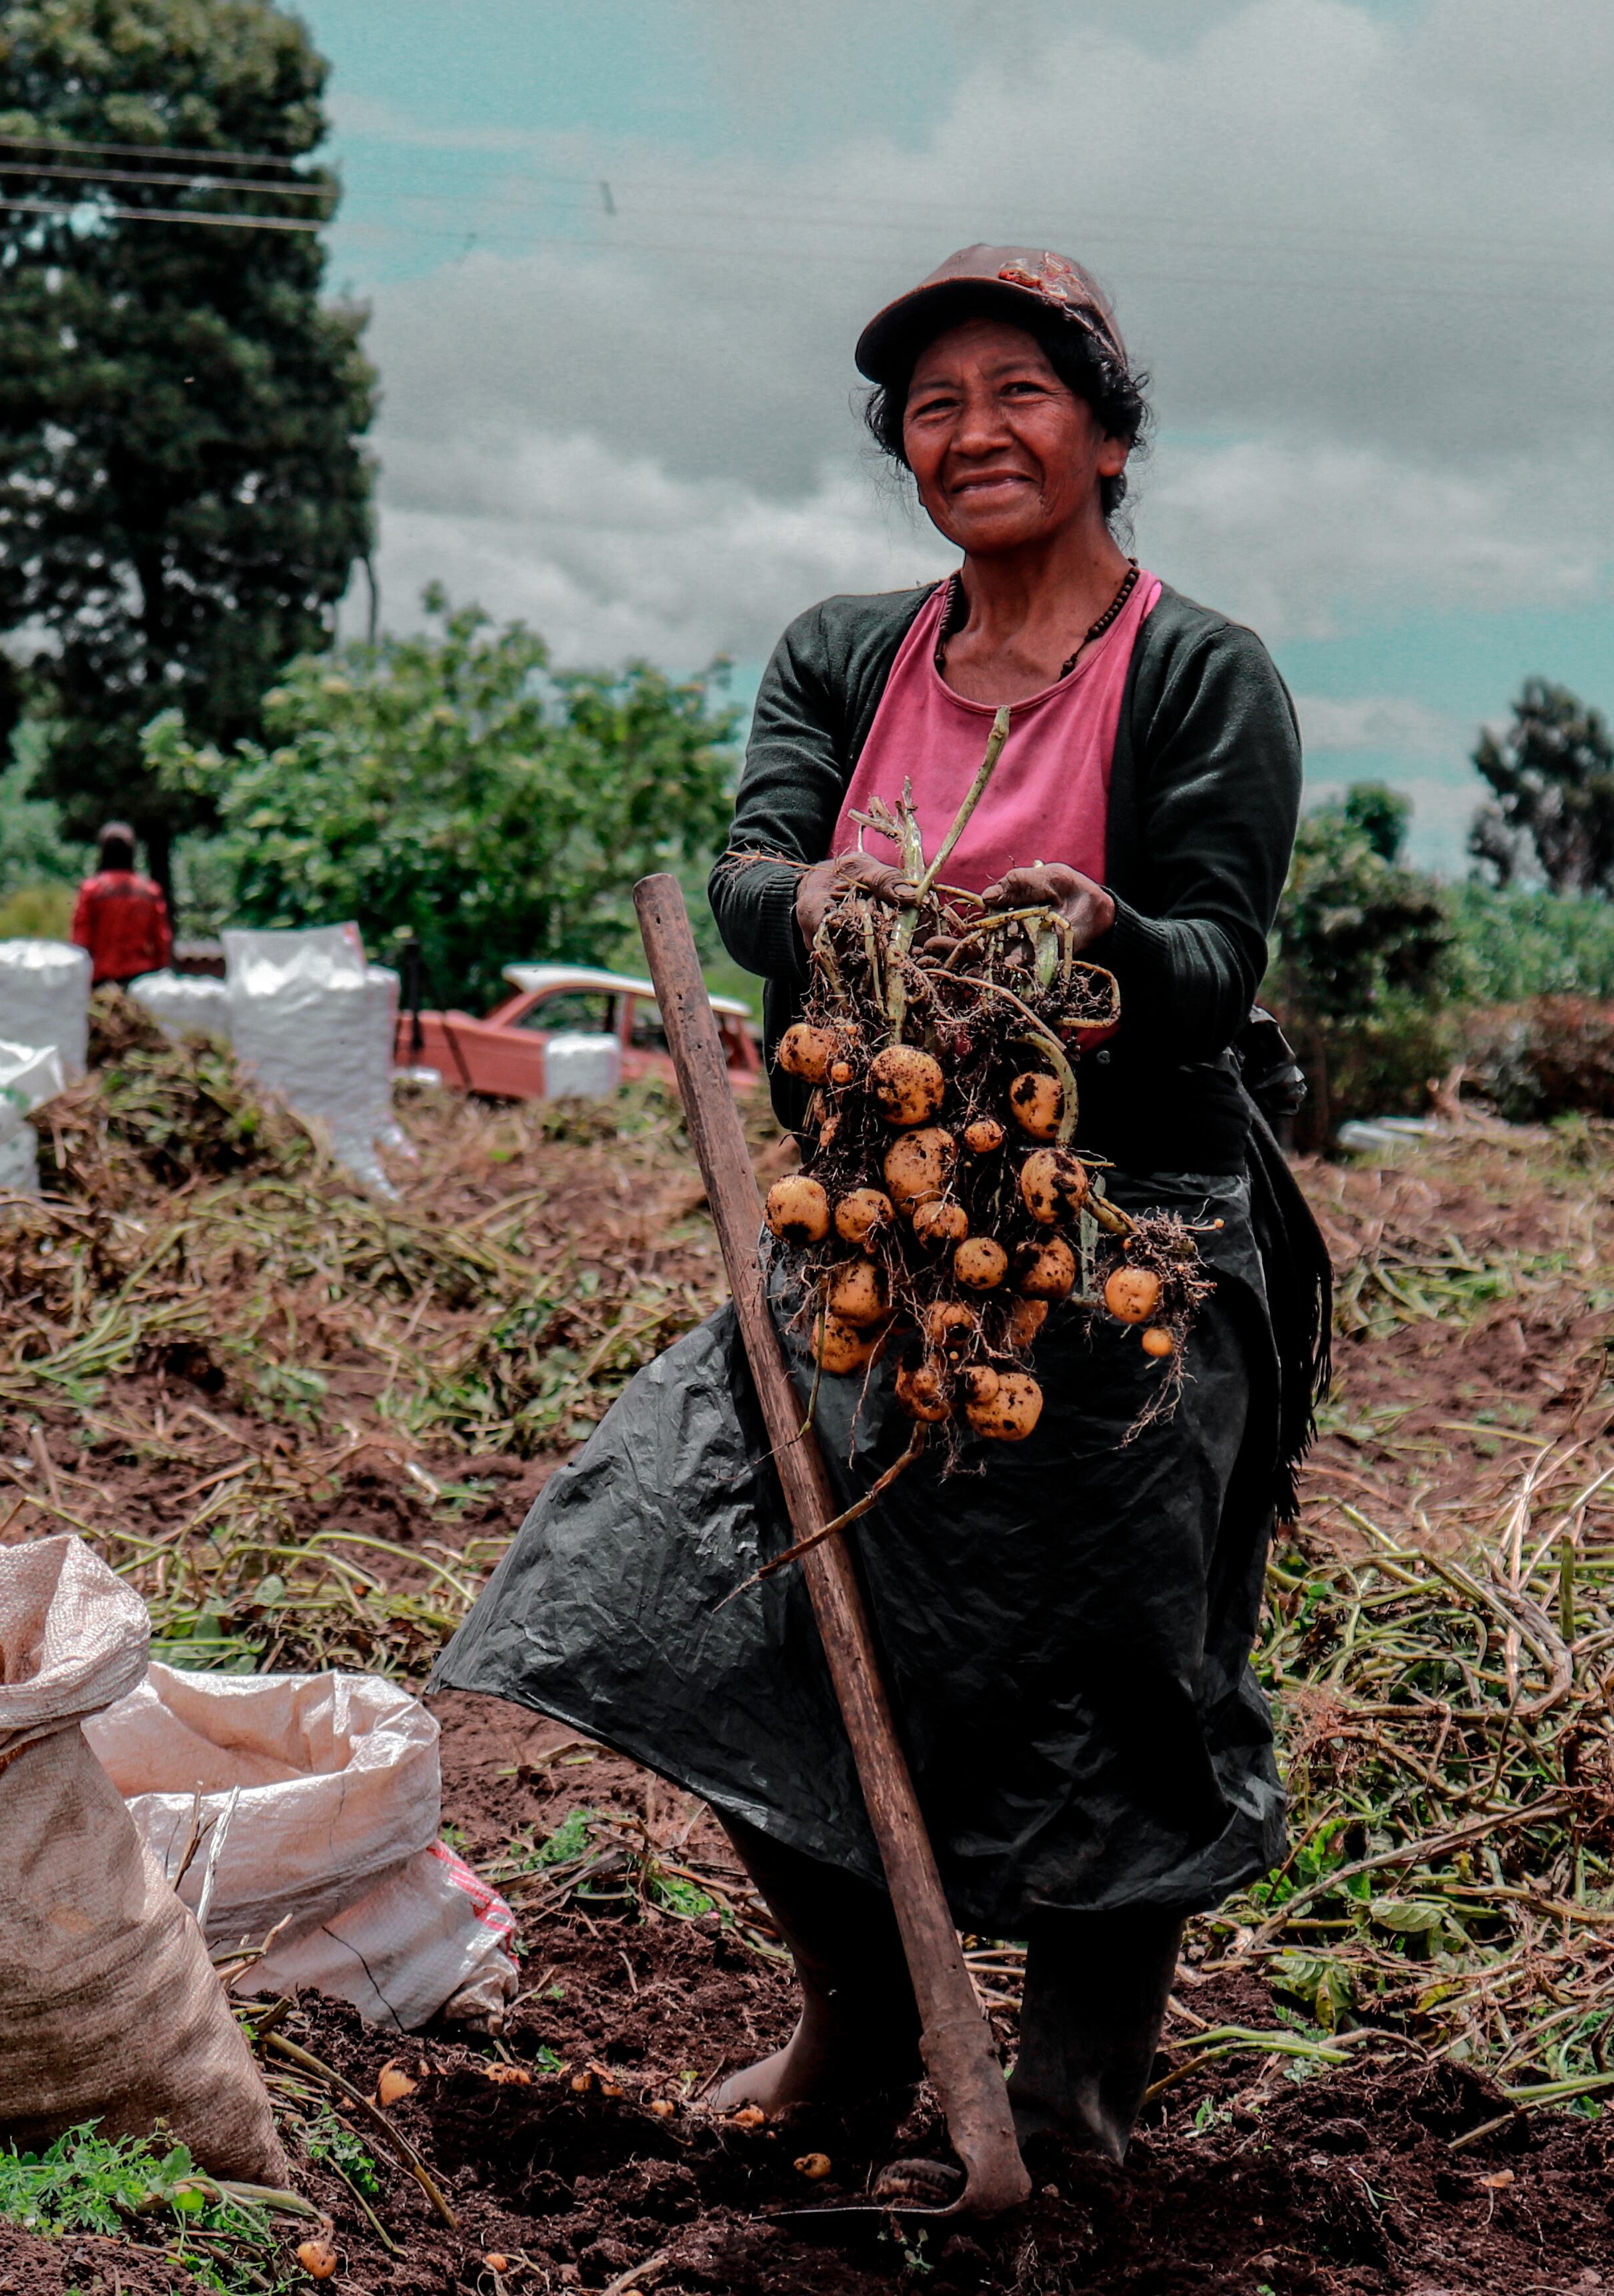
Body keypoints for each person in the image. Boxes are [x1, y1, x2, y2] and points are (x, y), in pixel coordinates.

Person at [434, 246, 1329, 2173]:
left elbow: (1212, 957)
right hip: (869, 1237)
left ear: (1105, 435)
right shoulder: (845, 655)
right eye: (933, 405)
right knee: (687, 1571)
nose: (973, 430)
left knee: (1106, 1677)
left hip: (1118, 1242)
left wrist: (1098, 932)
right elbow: (748, 871)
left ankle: (1068, 2098)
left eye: (1019, 392)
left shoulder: (1200, 674)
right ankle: (851, 2016)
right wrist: (821, 899)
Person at [70, 822, 172, 985]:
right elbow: (162, 938)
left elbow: (81, 939)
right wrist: (161, 972)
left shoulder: (91, 890)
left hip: (101, 978)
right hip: (141, 979)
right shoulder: (150, 891)